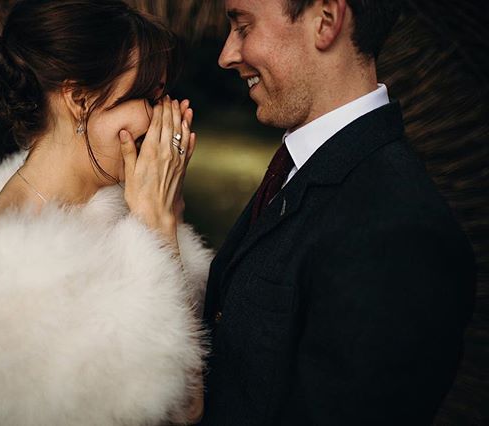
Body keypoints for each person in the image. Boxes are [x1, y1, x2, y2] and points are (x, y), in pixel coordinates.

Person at [0, 1, 211, 424]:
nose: (161, 120)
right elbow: (185, 407)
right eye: (148, 98)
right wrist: (157, 227)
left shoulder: (122, 207)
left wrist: (162, 215)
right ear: (79, 99)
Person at [199, 1, 476, 425]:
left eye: (242, 25)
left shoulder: (398, 231)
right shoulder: (306, 168)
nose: (226, 54)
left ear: (326, 21)